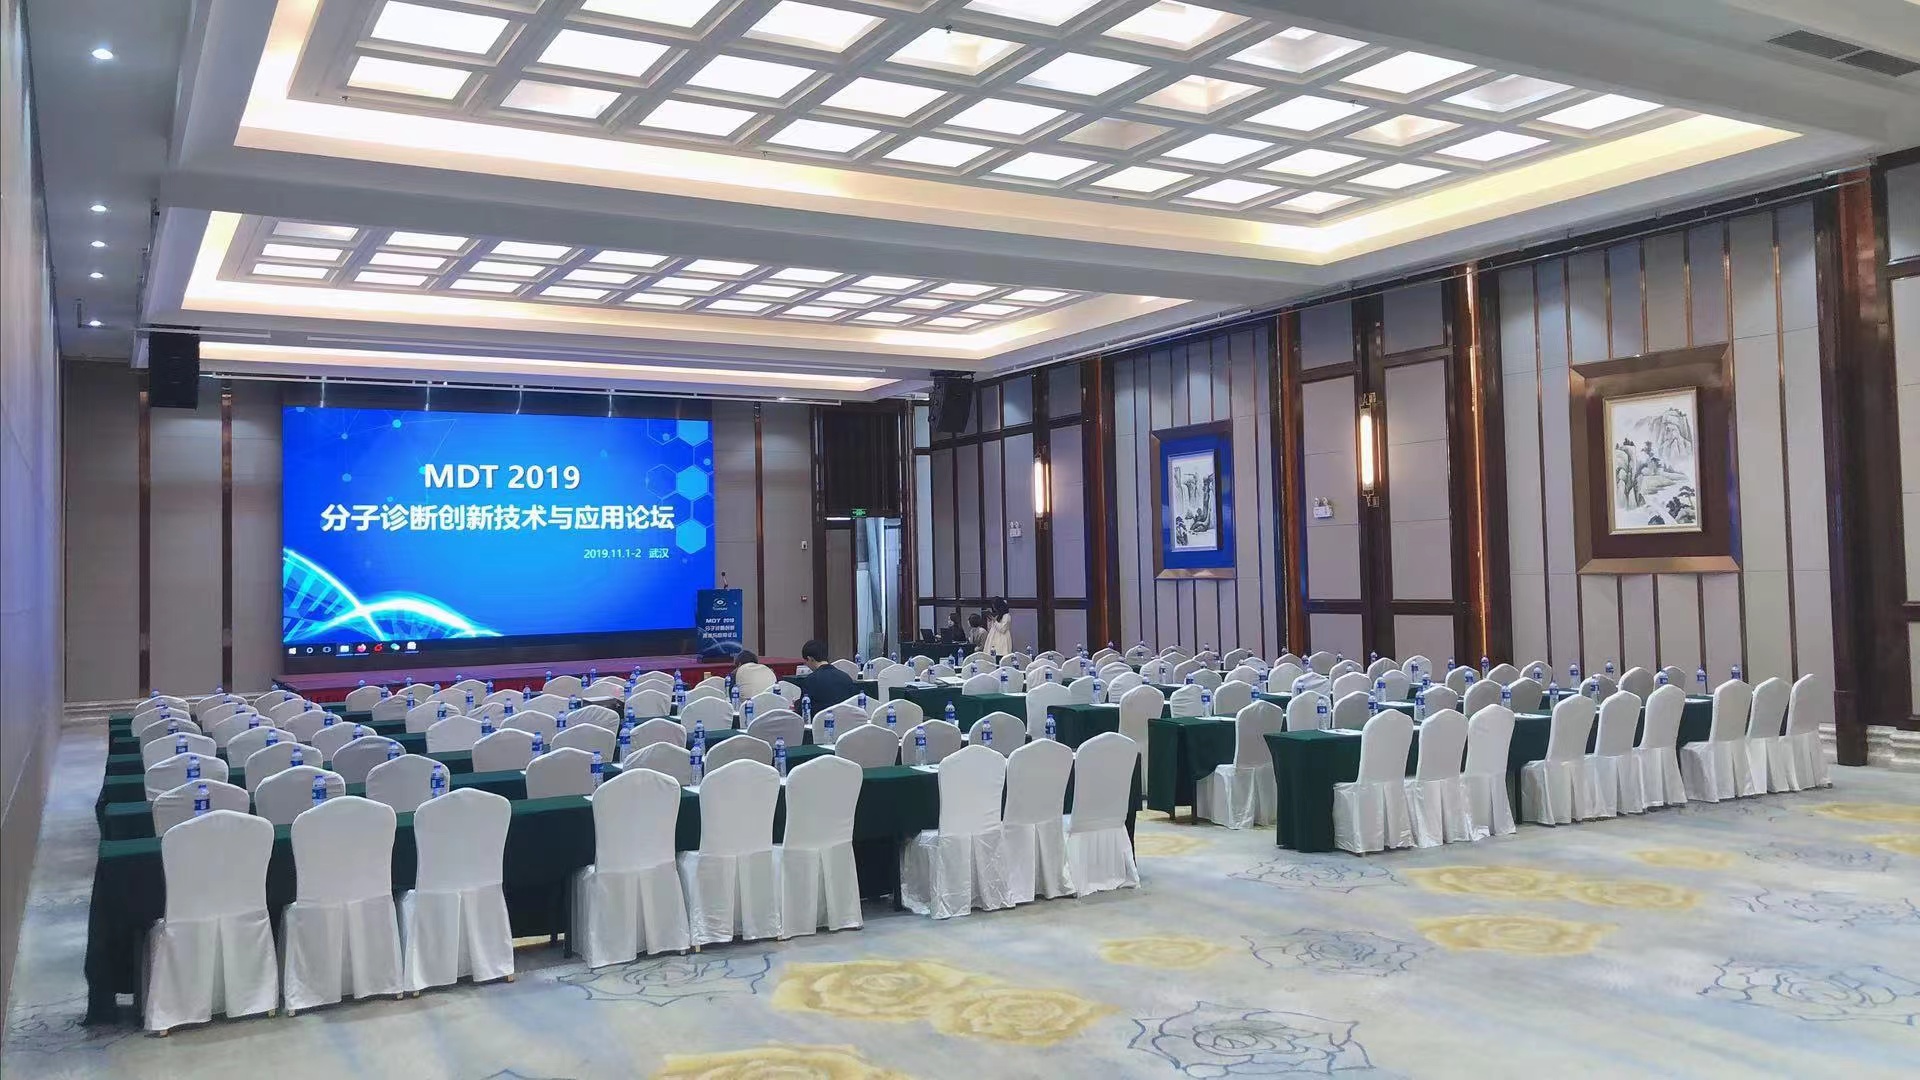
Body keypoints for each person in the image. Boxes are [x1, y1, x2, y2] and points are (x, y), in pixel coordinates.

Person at [797, 639, 859, 708]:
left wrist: (796, 704)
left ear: (810, 659)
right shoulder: (846, 677)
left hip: (821, 715)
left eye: (806, 662)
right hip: (844, 715)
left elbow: (804, 708)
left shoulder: (810, 680)